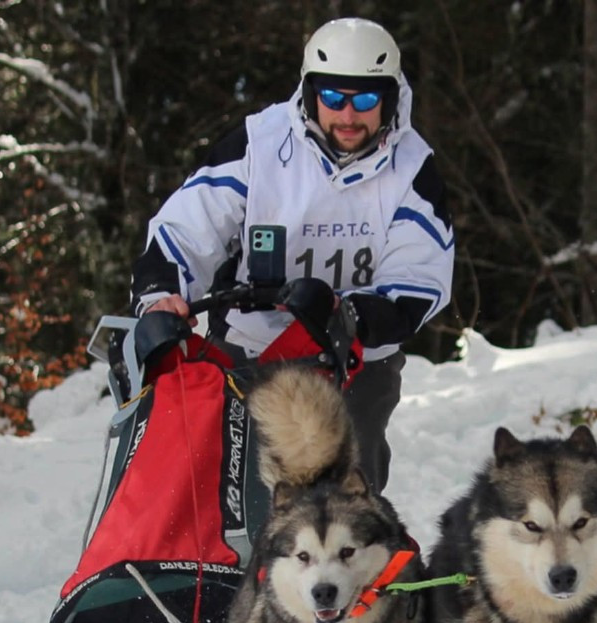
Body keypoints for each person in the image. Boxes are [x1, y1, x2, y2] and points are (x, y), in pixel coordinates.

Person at [130, 17, 455, 493]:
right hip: (248, 346)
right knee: (220, 487)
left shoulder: (412, 167)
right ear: (309, 93)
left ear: (390, 98)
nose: (349, 116)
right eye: (333, 99)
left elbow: (421, 273)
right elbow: (188, 226)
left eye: (366, 100)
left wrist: (354, 316)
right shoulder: (258, 144)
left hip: (356, 361)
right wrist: (162, 293)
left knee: (344, 501)